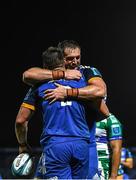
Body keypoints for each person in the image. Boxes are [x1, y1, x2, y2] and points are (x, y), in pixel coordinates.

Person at [22, 40, 122, 179]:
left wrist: (68, 92)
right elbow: (27, 75)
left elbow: (100, 90)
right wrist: (63, 74)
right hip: (59, 142)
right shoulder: (51, 74)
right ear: (60, 58)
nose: (75, 61)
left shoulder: (86, 71)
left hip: (86, 141)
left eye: (78, 57)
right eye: (70, 58)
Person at [96, 113, 123, 180]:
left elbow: (117, 149)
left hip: (101, 162)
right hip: (82, 160)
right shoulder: (82, 115)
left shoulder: (111, 120)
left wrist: (113, 177)